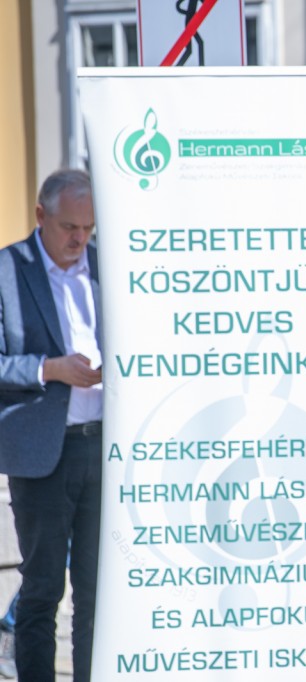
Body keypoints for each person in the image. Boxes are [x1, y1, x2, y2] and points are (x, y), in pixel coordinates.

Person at [0, 168, 103, 682]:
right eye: (69, 227)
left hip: (103, 450)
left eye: (88, 228)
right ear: (41, 216)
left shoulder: (108, 267)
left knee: (97, 592)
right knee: (42, 591)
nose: (79, 239)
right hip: (42, 453)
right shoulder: (7, 269)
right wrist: (49, 369)